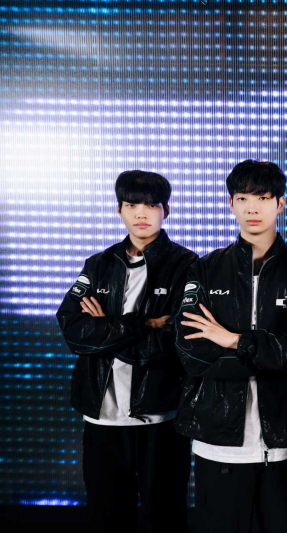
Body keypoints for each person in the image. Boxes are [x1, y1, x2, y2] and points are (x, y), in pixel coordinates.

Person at [174, 160, 287, 533]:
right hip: (218, 438)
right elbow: (191, 351)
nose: (252, 208)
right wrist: (274, 353)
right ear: (231, 204)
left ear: (280, 203)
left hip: (286, 437)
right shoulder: (206, 268)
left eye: (262, 197)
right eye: (243, 198)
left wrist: (234, 341)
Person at [57, 170, 197, 533]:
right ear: (119, 209)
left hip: (161, 414)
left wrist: (107, 330)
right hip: (102, 417)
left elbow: (179, 336)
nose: (141, 213)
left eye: (151, 205)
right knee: (105, 515)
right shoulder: (98, 265)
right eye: (132, 204)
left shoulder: (186, 265)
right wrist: (143, 323)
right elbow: (74, 332)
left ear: (166, 210)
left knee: (164, 516)